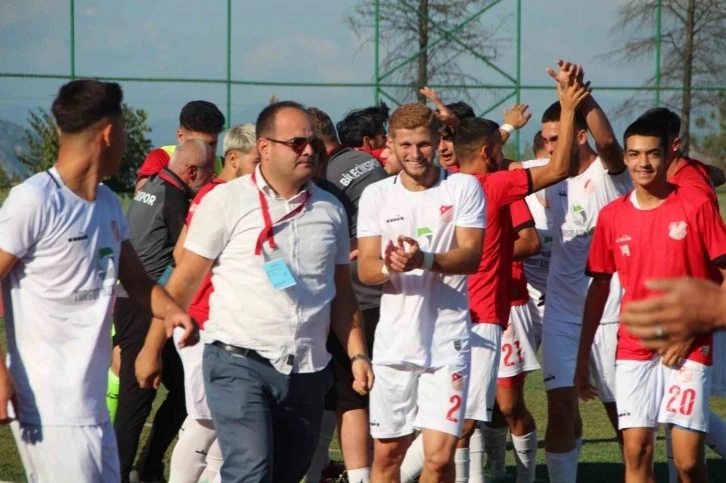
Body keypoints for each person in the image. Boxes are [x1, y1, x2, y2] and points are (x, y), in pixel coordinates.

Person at [135, 101, 374, 483]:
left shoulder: (331, 209)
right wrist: (151, 349)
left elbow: (342, 294)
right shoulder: (225, 201)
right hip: (238, 361)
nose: (309, 150)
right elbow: (181, 281)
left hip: (307, 370)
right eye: (297, 142)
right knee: (250, 470)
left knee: (287, 471)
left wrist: (357, 352)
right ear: (264, 148)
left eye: (312, 141)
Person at [0, 79, 194, 483]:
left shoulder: (107, 202)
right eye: (124, 129)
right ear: (109, 133)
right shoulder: (34, 200)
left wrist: (175, 313)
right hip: (48, 403)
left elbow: (138, 282)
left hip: (90, 405)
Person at [575, 116, 726, 483]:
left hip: (688, 345)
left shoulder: (696, 204)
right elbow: (598, 289)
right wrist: (581, 357)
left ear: (666, 156)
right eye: (634, 154)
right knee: (636, 452)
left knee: (688, 461)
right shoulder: (612, 216)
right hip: (634, 346)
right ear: (624, 159)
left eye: (652, 154)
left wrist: (692, 331)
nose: (643, 163)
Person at [356, 102, 487, 483]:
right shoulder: (377, 195)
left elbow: (471, 255)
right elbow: (365, 268)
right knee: (388, 456)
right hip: (394, 343)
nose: (416, 154)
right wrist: (389, 267)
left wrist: (424, 259)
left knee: (439, 459)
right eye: (407, 146)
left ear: (438, 141)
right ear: (392, 146)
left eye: (424, 144)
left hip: (448, 342)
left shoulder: (463, 186)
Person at [538, 60, 630, 483]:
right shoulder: (547, 176)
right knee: (559, 408)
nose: (549, 146)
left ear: (579, 135)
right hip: (561, 311)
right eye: (544, 140)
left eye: (557, 138)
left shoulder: (608, 174)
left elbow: (609, 142)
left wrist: (579, 97)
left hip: (611, 310)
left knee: (622, 416)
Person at [114, 139, 216, 483]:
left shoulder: (154, 183)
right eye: (208, 172)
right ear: (191, 171)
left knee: (185, 391)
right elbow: (185, 255)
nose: (212, 178)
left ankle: (149, 466)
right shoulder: (174, 197)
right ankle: (122, 470)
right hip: (145, 305)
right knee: (137, 398)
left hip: (134, 302)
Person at [167, 123, 259, 483]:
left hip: (223, 322)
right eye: (256, 161)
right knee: (205, 420)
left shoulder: (227, 194)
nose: (262, 172)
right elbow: (181, 255)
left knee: (225, 423)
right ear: (233, 159)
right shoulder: (215, 196)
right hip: (202, 322)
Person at [306, 107, 388, 483]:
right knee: (364, 396)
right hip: (388, 292)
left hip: (352, 297)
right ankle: (322, 468)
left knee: (346, 397)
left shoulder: (323, 178)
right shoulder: (367, 161)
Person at [484, 200, 542, 483]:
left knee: (508, 404)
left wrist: (478, 254)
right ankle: (494, 472)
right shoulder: (446, 185)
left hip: (509, 303)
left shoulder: (504, 189)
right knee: (476, 405)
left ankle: (526, 478)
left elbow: (531, 242)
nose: (444, 151)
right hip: (464, 306)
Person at [135, 100, 226, 192]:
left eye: (211, 144)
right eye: (197, 144)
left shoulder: (224, 166)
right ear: (180, 137)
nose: (206, 151)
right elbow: (143, 197)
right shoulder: (162, 157)